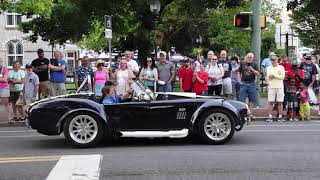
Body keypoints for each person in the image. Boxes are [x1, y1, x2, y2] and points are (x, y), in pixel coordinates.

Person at [237, 53, 260, 117]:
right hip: (244, 83)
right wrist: (239, 80)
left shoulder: (255, 64)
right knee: (242, 99)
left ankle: (250, 114)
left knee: (251, 100)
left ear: (253, 58)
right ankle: (242, 113)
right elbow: (238, 71)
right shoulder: (242, 63)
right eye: (248, 57)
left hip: (251, 83)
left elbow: (258, 73)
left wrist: (252, 70)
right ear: (246, 57)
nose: (249, 58)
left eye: (251, 57)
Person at [265, 55, 286, 122]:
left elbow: (282, 77)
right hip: (271, 86)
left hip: (279, 87)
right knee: (270, 102)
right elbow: (268, 77)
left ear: (277, 60)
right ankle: (270, 116)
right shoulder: (269, 68)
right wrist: (277, 76)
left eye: (274, 60)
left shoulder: (281, 67)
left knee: (280, 102)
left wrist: (274, 75)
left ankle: (280, 116)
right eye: (272, 60)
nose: (273, 61)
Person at [0, 58, 10, 123]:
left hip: (4, 88)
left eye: (0, 61)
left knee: (6, 104)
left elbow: (5, 80)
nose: (0, 62)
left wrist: (3, 78)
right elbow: (2, 79)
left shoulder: (4, 69)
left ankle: (10, 117)